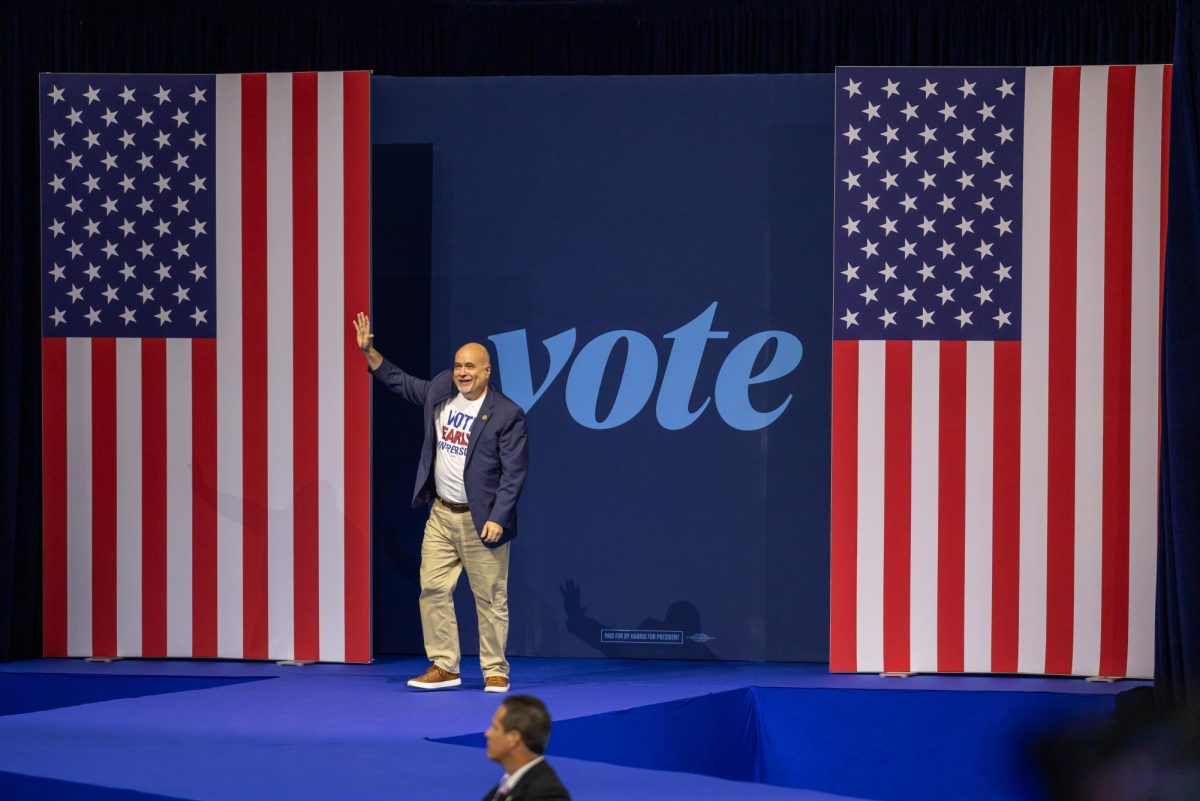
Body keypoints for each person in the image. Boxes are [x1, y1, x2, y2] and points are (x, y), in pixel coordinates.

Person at [353, 312, 529, 693]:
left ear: (487, 372)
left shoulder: (507, 414)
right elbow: (402, 383)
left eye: (470, 367)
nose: (462, 373)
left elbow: (514, 474)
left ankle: (495, 670)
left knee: (490, 598)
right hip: (442, 515)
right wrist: (369, 352)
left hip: (482, 521)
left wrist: (499, 517)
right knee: (432, 589)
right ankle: (444, 666)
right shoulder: (440, 392)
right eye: (458, 365)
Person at [483, 695, 570, 801]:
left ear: (513, 738)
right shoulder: (504, 788)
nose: (487, 734)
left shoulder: (546, 794)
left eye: (495, 728)